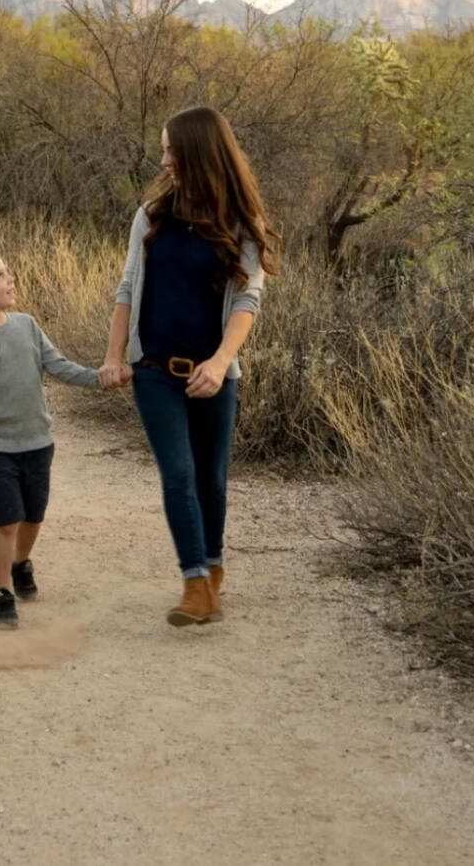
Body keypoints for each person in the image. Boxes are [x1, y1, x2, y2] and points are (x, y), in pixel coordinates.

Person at [99, 106, 280, 627]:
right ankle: (194, 582)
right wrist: (115, 355)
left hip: (213, 372)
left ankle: (213, 570)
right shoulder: (151, 217)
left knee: (211, 480)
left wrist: (222, 363)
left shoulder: (243, 224)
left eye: (171, 150)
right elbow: (128, 290)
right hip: (154, 368)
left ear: (197, 152)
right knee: (178, 472)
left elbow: (247, 303)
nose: (163, 159)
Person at [0, 250, 122, 629]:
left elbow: (58, 365)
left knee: (33, 516)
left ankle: (20, 562)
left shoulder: (27, 326)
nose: (10, 278)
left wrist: (98, 378)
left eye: (8, 271)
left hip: (37, 442)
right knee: (4, 522)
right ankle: (2, 591)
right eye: (0, 274)